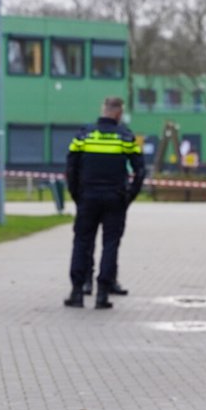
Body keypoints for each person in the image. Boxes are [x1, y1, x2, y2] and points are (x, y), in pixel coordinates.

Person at [64, 97, 145, 309]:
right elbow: (140, 171)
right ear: (118, 113)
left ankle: (77, 292)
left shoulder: (84, 135)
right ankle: (102, 294)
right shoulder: (126, 137)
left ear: (103, 110)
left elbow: (71, 167)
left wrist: (76, 194)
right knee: (110, 244)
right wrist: (129, 196)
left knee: (82, 242)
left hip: (87, 197)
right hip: (114, 198)